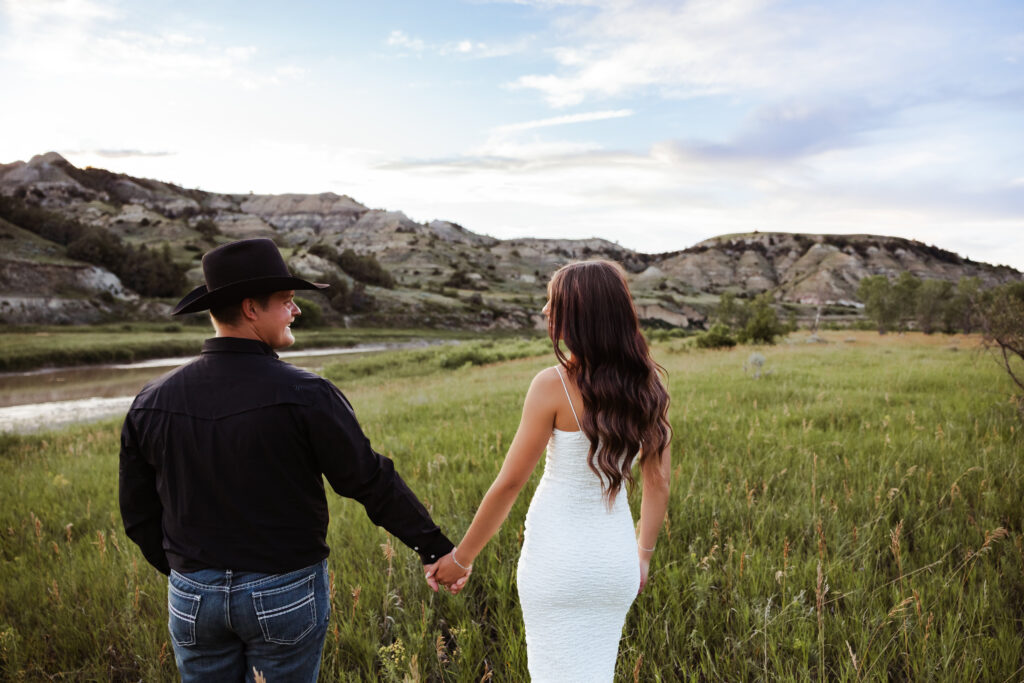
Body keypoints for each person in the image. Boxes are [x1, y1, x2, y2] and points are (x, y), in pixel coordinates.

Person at [119, 238, 465, 682]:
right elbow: (369, 481)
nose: (296, 310)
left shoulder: (150, 400)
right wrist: (435, 549)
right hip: (282, 594)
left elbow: (137, 513)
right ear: (250, 309)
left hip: (192, 596)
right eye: (286, 301)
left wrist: (188, 574)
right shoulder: (307, 393)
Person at [430, 260, 673, 682]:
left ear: (582, 314)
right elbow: (658, 485)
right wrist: (643, 558)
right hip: (614, 564)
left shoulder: (552, 384)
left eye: (553, 302)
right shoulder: (648, 385)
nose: (544, 311)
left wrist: (461, 558)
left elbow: (509, 484)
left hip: (557, 565)